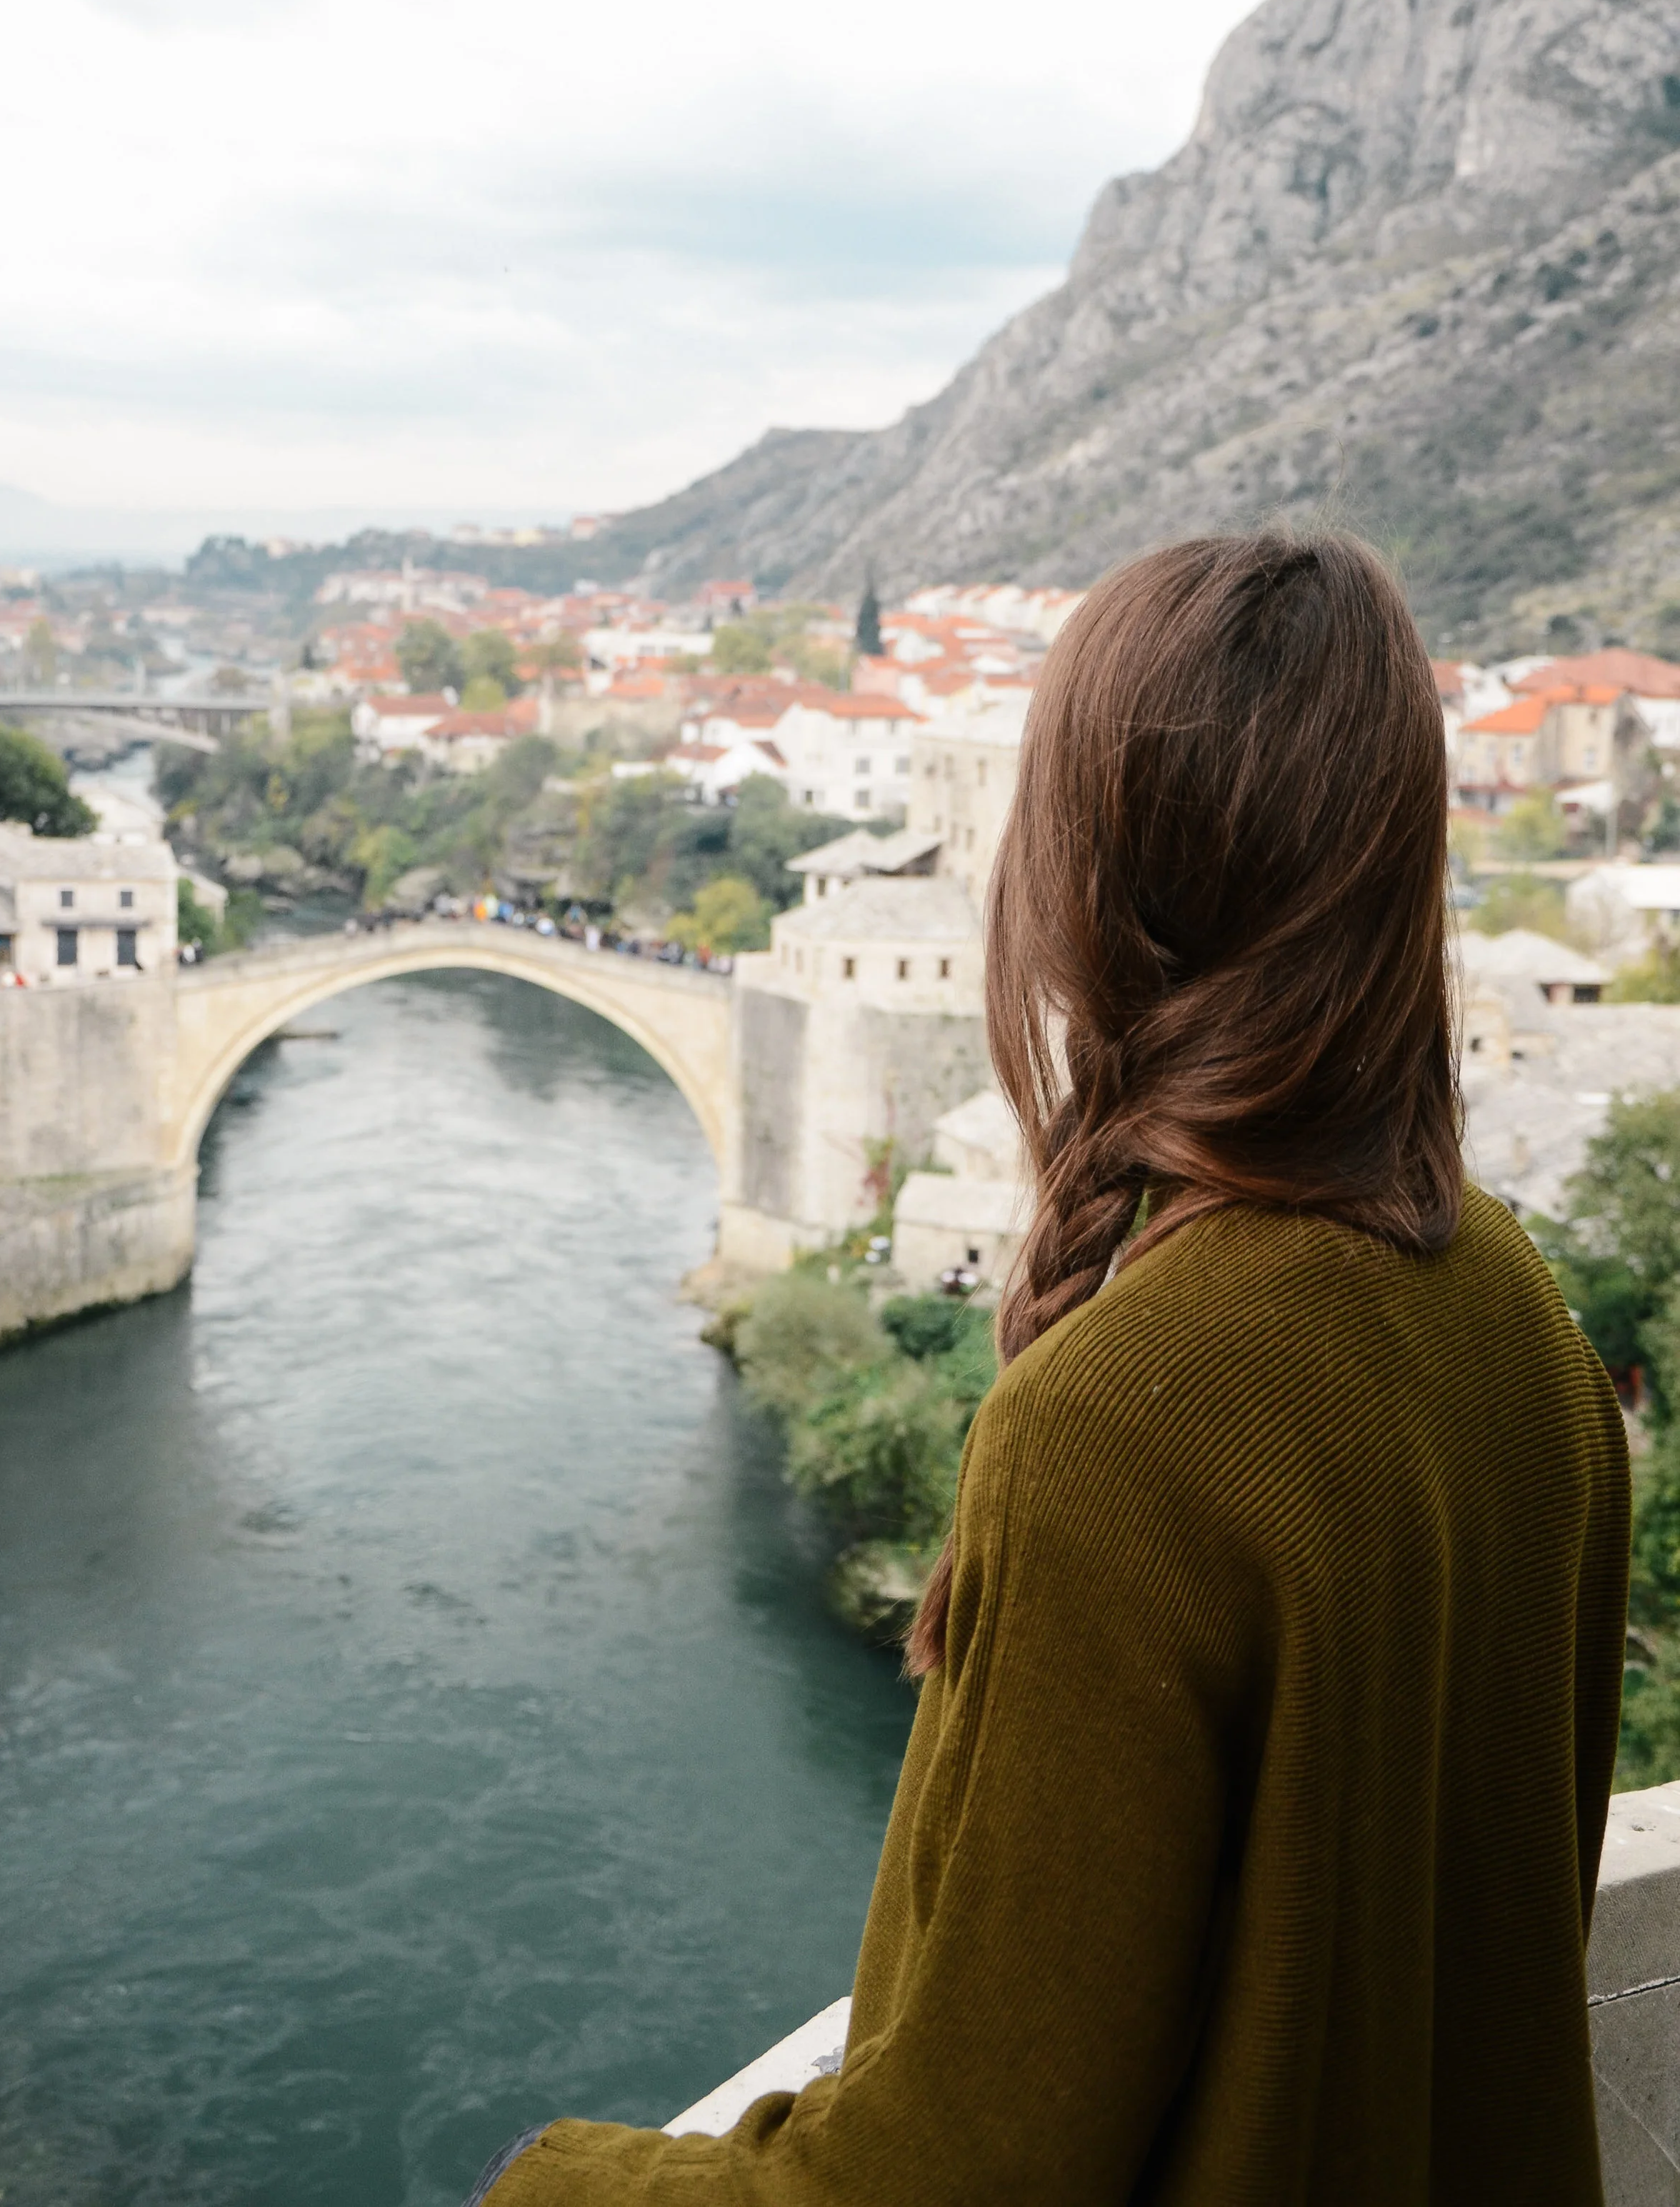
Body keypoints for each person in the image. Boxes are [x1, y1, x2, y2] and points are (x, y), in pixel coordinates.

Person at [473, 531, 1630, 2205]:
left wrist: (555, 2176)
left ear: (1088, 873)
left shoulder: (1115, 1426)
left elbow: (942, 2169)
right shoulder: (1519, 1316)